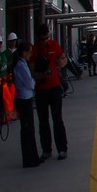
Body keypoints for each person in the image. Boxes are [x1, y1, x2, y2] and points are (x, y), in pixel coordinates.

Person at [32, 22, 69, 160]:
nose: (45, 41)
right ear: (38, 38)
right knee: (43, 121)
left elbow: (63, 58)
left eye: (47, 38)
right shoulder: (34, 50)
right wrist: (42, 75)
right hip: (41, 90)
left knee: (57, 119)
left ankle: (62, 148)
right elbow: (32, 73)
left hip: (54, 88)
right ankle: (46, 149)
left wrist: (62, 63)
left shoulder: (54, 45)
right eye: (42, 39)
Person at [12, 41, 40, 168]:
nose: (31, 54)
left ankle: (33, 157)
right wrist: (34, 82)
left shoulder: (22, 64)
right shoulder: (21, 66)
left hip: (26, 99)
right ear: (24, 53)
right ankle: (29, 159)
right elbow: (29, 84)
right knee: (27, 130)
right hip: (24, 100)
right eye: (29, 52)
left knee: (29, 130)